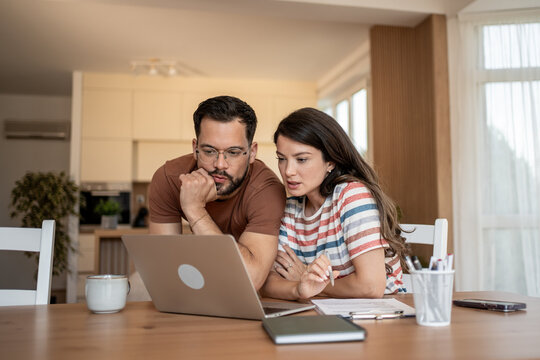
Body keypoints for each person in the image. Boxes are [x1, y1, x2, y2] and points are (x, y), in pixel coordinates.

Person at [261, 107, 408, 300]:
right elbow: (269, 283)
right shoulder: (290, 208)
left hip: (380, 314)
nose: (288, 171)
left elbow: (371, 287)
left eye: (302, 159)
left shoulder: (351, 195)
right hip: (322, 312)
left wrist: (309, 281)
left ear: (330, 161)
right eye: (281, 159)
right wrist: (300, 288)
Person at [148, 95, 286, 290]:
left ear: (252, 152)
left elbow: (250, 280)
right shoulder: (169, 178)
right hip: (196, 278)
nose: (220, 164)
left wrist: (195, 209)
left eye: (233, 152)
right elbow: (162, 267)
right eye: (209, 151)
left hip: (245, 288)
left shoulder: (267, 190)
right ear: (195, 148)